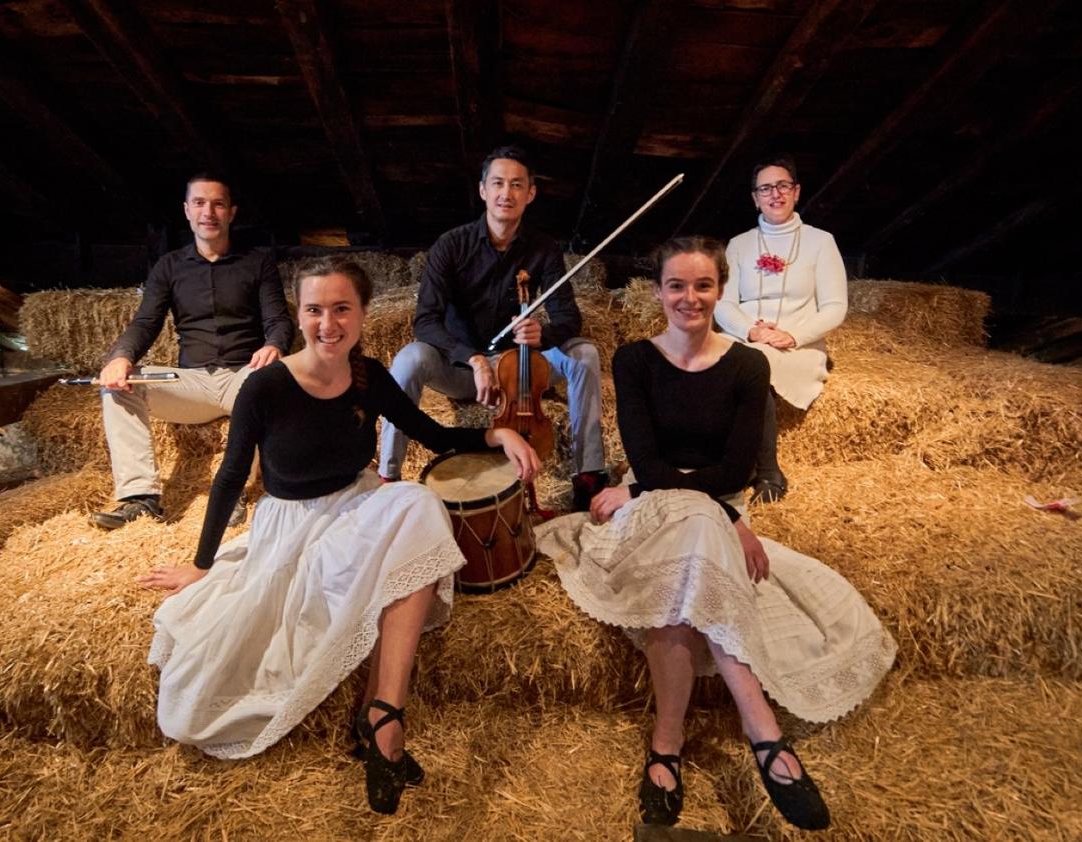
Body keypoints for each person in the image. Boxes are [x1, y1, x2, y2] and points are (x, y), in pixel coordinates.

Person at [138, 257, 540, 815]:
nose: (328, 324)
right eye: (314, 310)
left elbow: (431, 433)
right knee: (202, 693)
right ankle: (380, 723)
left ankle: (384, 714)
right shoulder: (264, 387)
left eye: (341, 309)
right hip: (292, 526)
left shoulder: (368, 375)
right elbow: (230, 477)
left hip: (356, 505)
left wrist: (497, 435)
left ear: (363, 314)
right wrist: (201, 565)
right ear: (299, 315)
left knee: (418, 504)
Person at [538, 237, 894, 830]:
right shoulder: (634, 360)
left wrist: (723, 511)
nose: (690, 297)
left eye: (703, 285)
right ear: (658, 292)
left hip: (713, 504)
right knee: (700, 526)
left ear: (721, 291)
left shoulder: (749, 365)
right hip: (657, 501)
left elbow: (736, 473)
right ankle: (764, 733)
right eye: (676, 285)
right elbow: (649, 466)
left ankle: (666, 744)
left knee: (693, 547)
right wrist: (723, 517)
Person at [379, 145, 608, 511]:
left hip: (520, 372)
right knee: (410, 357)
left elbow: (568, 317)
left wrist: (543, 335)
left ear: (530, 194)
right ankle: (389, 477)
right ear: (483, 190)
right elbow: (425, 321)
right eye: (498, 183)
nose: (507, 193)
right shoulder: (451, 245)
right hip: (462, 372)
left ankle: (589, 476)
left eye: (517, 185)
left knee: (584, 353)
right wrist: (472, 358)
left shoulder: (544, 249)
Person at [91, 172, 293, 530]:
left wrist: (274, 346)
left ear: (231, 212)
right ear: (187, 210)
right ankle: (141, 498)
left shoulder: (257, 262)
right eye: (199, 203)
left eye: (218, 204)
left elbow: (279, 320)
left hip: (243, 377)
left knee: (262, 384)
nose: (208, 212)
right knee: (118, 388)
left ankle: (232, 493)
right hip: (191, 381)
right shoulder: (168, 266)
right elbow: (145, 322)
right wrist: (121, 357)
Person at [716, 155, 847, 503]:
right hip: (747, 337)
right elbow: (723, 303)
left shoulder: (821, 242)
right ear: (755, 198)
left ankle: (768, 471)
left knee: (753, 365)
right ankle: (734, 465)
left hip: (798, 345)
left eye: (782, 186)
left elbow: (835, 306)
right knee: (735, 361)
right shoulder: (739, 244)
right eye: (765, 188)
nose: (775, 194)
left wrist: (793, 336)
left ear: (796, 191)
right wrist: (752, 331)